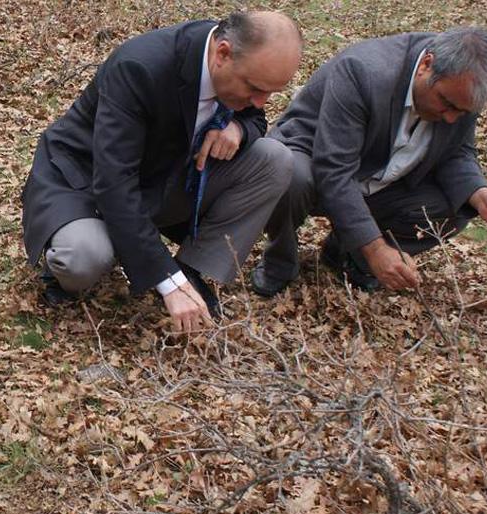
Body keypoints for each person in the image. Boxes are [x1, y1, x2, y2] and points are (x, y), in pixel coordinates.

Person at [20, 11, 302, 332]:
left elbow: (255, 116)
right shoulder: (139, 67)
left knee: (274, 158)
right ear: (222, 53)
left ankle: (191, 268)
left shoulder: (244, 66)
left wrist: (238, 127)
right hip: (84, 183)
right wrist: (167, 281)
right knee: (81, 258)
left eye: (270, 93)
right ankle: (79, 254)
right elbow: (114, 182)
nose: (261, 101)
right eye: (255, 89)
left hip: (164, 177)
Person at [252, 27, 487, 296]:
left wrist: (480, 195)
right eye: (446, 104)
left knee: (456, 206)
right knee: (291, 175)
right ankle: (279, 260)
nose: (450, 118)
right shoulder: (364, 71)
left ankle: (346, 255)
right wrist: (376, 248)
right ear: (426, 64)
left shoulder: (461, 92)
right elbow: (334, 170)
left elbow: (456, 152)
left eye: (461, 112)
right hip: (314, 162)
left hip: (379, 176)